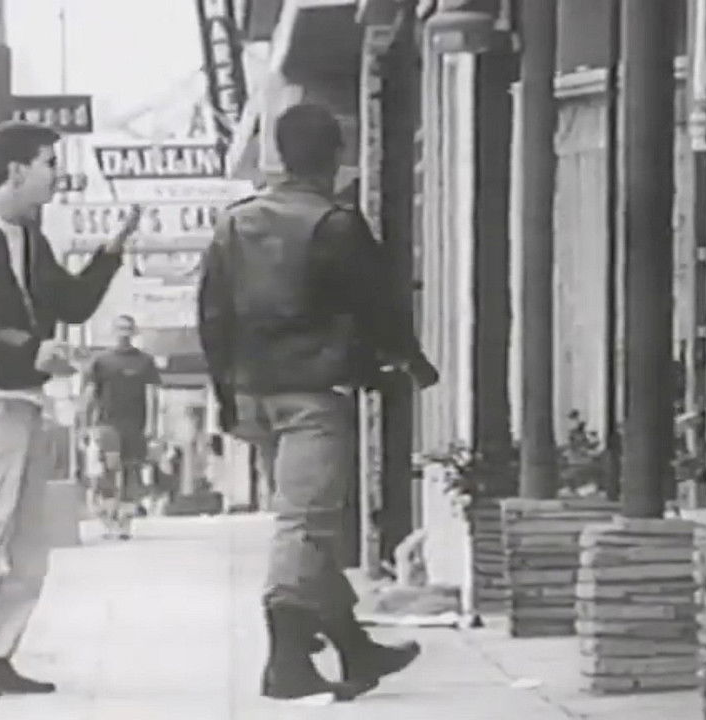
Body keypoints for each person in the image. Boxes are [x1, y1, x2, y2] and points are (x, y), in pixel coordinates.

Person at [197, 103, 440, 704]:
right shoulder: (335, 223)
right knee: (305, 523)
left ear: (279, 155)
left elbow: (211, 315)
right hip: (314, 393)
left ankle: (353, 646)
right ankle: (286, 659)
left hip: (253, 393)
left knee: (312, 526)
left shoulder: (235, 223)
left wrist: (227, 397)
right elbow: (378, 307)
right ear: (334, 158)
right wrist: (411, 361)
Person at [0, 120, 142, 700]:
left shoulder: (28, 237)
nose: (57, 175)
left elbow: (66, 301)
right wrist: (30, 348)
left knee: (27, 542)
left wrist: (110, 255)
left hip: (23, 400)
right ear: (15, 170)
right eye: (49, 163)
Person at [81, 314, 162, 539]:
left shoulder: (144, 361)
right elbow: (89, 394)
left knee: (131, 471)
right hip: (107, 424)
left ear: (133, 332)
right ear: (113, 331)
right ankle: (109, 516)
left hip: (135, 425)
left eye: (128, 329)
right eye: (120, 329)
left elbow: (153, 395)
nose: (124, 333)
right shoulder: (101, 361)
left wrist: (154, 426)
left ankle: (125, 522)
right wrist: (85, 426)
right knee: (109, 468)